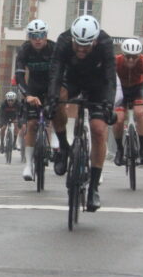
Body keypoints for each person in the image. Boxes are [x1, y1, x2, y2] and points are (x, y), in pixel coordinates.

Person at [47, 15, 117, 212]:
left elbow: (111, 77)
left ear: (95, 40)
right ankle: (63, 147)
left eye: (86, 46)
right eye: (78, 44)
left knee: (98, 128)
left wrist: (109, 106)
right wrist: (51, 100)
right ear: (72, 39)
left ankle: (94, 187)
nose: (81, 50)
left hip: (98, 85)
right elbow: (55, 73)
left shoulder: (105, 43)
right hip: (73, 79)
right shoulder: (62, 41)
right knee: (56, 100)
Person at [15, 19, 56, 180]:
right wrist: (27, 95)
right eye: (33, 36)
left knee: (54, 116)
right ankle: (28, 165)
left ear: (46, 36)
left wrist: (56, 94)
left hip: (51, 86)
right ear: (29, 37)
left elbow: (60, 73)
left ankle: (54, 141)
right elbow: (19, 74)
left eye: (41, 35)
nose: (37, 39)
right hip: (33, 88)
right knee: (32, 124)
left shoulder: (54, 49)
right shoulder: (24, 50)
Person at [112, 38, 143, 167]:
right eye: (128, 57)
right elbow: (109, 81)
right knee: (118, 119)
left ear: (139, 56)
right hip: (121, 89)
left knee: (141, 113)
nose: (131, 60)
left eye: (134, 57)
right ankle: (119, 149)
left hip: (137, 88)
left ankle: (141, 150)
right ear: (123, 55)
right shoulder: (116, 61)